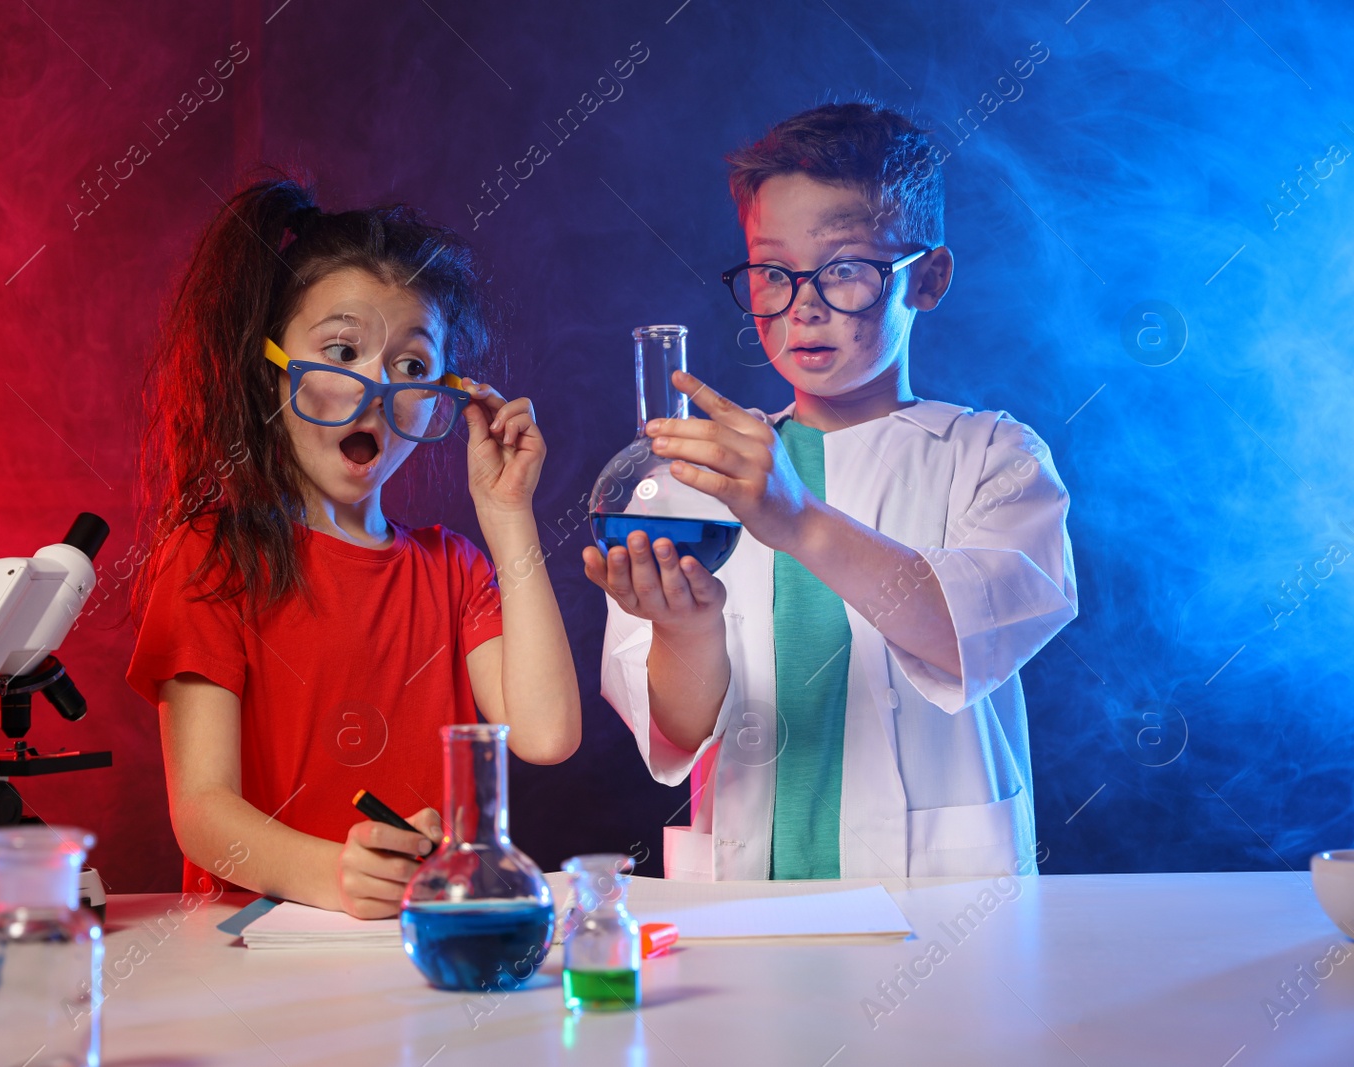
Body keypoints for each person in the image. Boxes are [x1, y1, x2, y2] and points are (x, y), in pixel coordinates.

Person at [584, 103, 1077, 881]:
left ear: (929, 279)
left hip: (937, 911)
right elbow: (675, 731)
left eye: (845, 268)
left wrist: (800, 520)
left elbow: (966, 637)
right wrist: (686, 633)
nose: (802, 304)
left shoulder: (995, 457)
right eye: (773, 273)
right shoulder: (699, 477)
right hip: (746, 910)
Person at [127, 172, 581, 916]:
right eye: (341, 349)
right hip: (255, 968)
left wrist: (508, 517)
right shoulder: (213, 554)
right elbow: (203, 811)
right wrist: (341, 874)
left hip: (421, 956)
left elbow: (547, 731)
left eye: (410, 365)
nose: (376, 385)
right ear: (270, 366)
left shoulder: (454, 570)